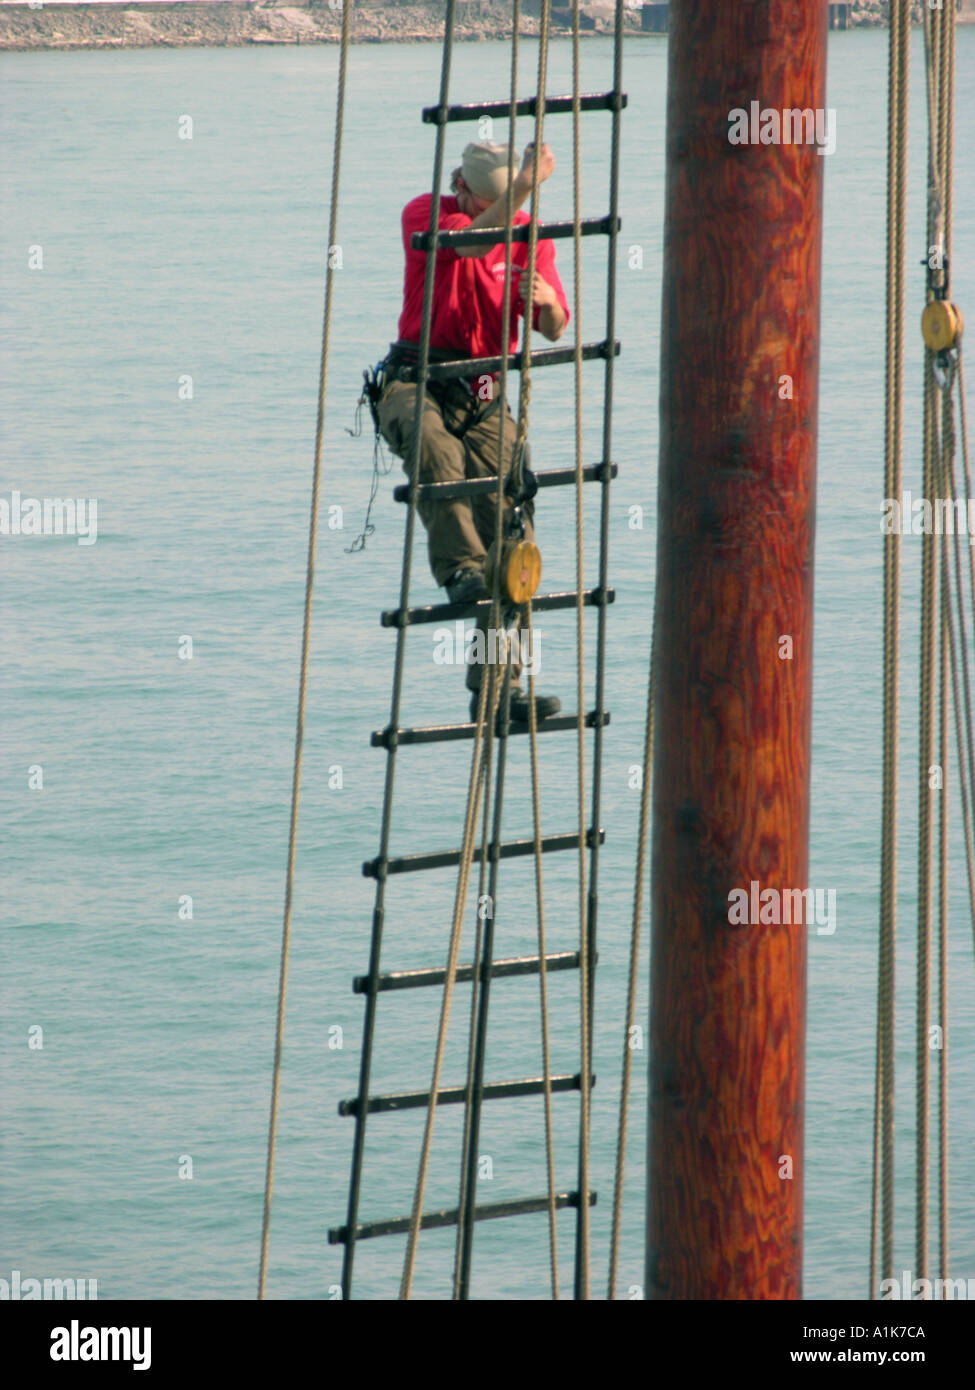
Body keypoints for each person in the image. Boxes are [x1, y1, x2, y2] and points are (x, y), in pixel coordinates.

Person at [377, 140, 570, 722]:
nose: (459, 192)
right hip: (419, 382)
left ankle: (497, 688)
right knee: (436, 452)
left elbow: (556, 328)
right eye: (465, 188)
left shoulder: (528, 237)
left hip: (485, 397)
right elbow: (469, 243)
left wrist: (544, 304)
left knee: (512, 536)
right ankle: (459, 568)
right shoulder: (427, 213)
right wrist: (521, 192)